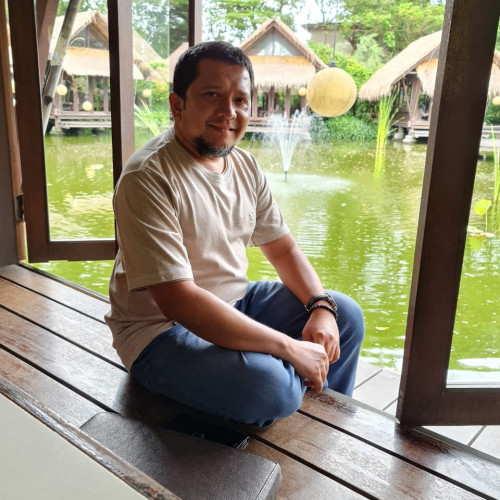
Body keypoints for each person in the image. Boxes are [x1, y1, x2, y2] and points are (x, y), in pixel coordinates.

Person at [105, 41, 364, 429]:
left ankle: (316, 422)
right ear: (177, 105)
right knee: (273, 388)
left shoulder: (244, 165)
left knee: (345, 317)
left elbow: (283, 248)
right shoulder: (148, 177)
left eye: (240, 100)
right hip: (159, 332)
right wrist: (289, 347)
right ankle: (287, 398)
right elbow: (178, 300)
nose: (229, 112)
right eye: (212, 95)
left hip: (235, 303)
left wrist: (321, 306)